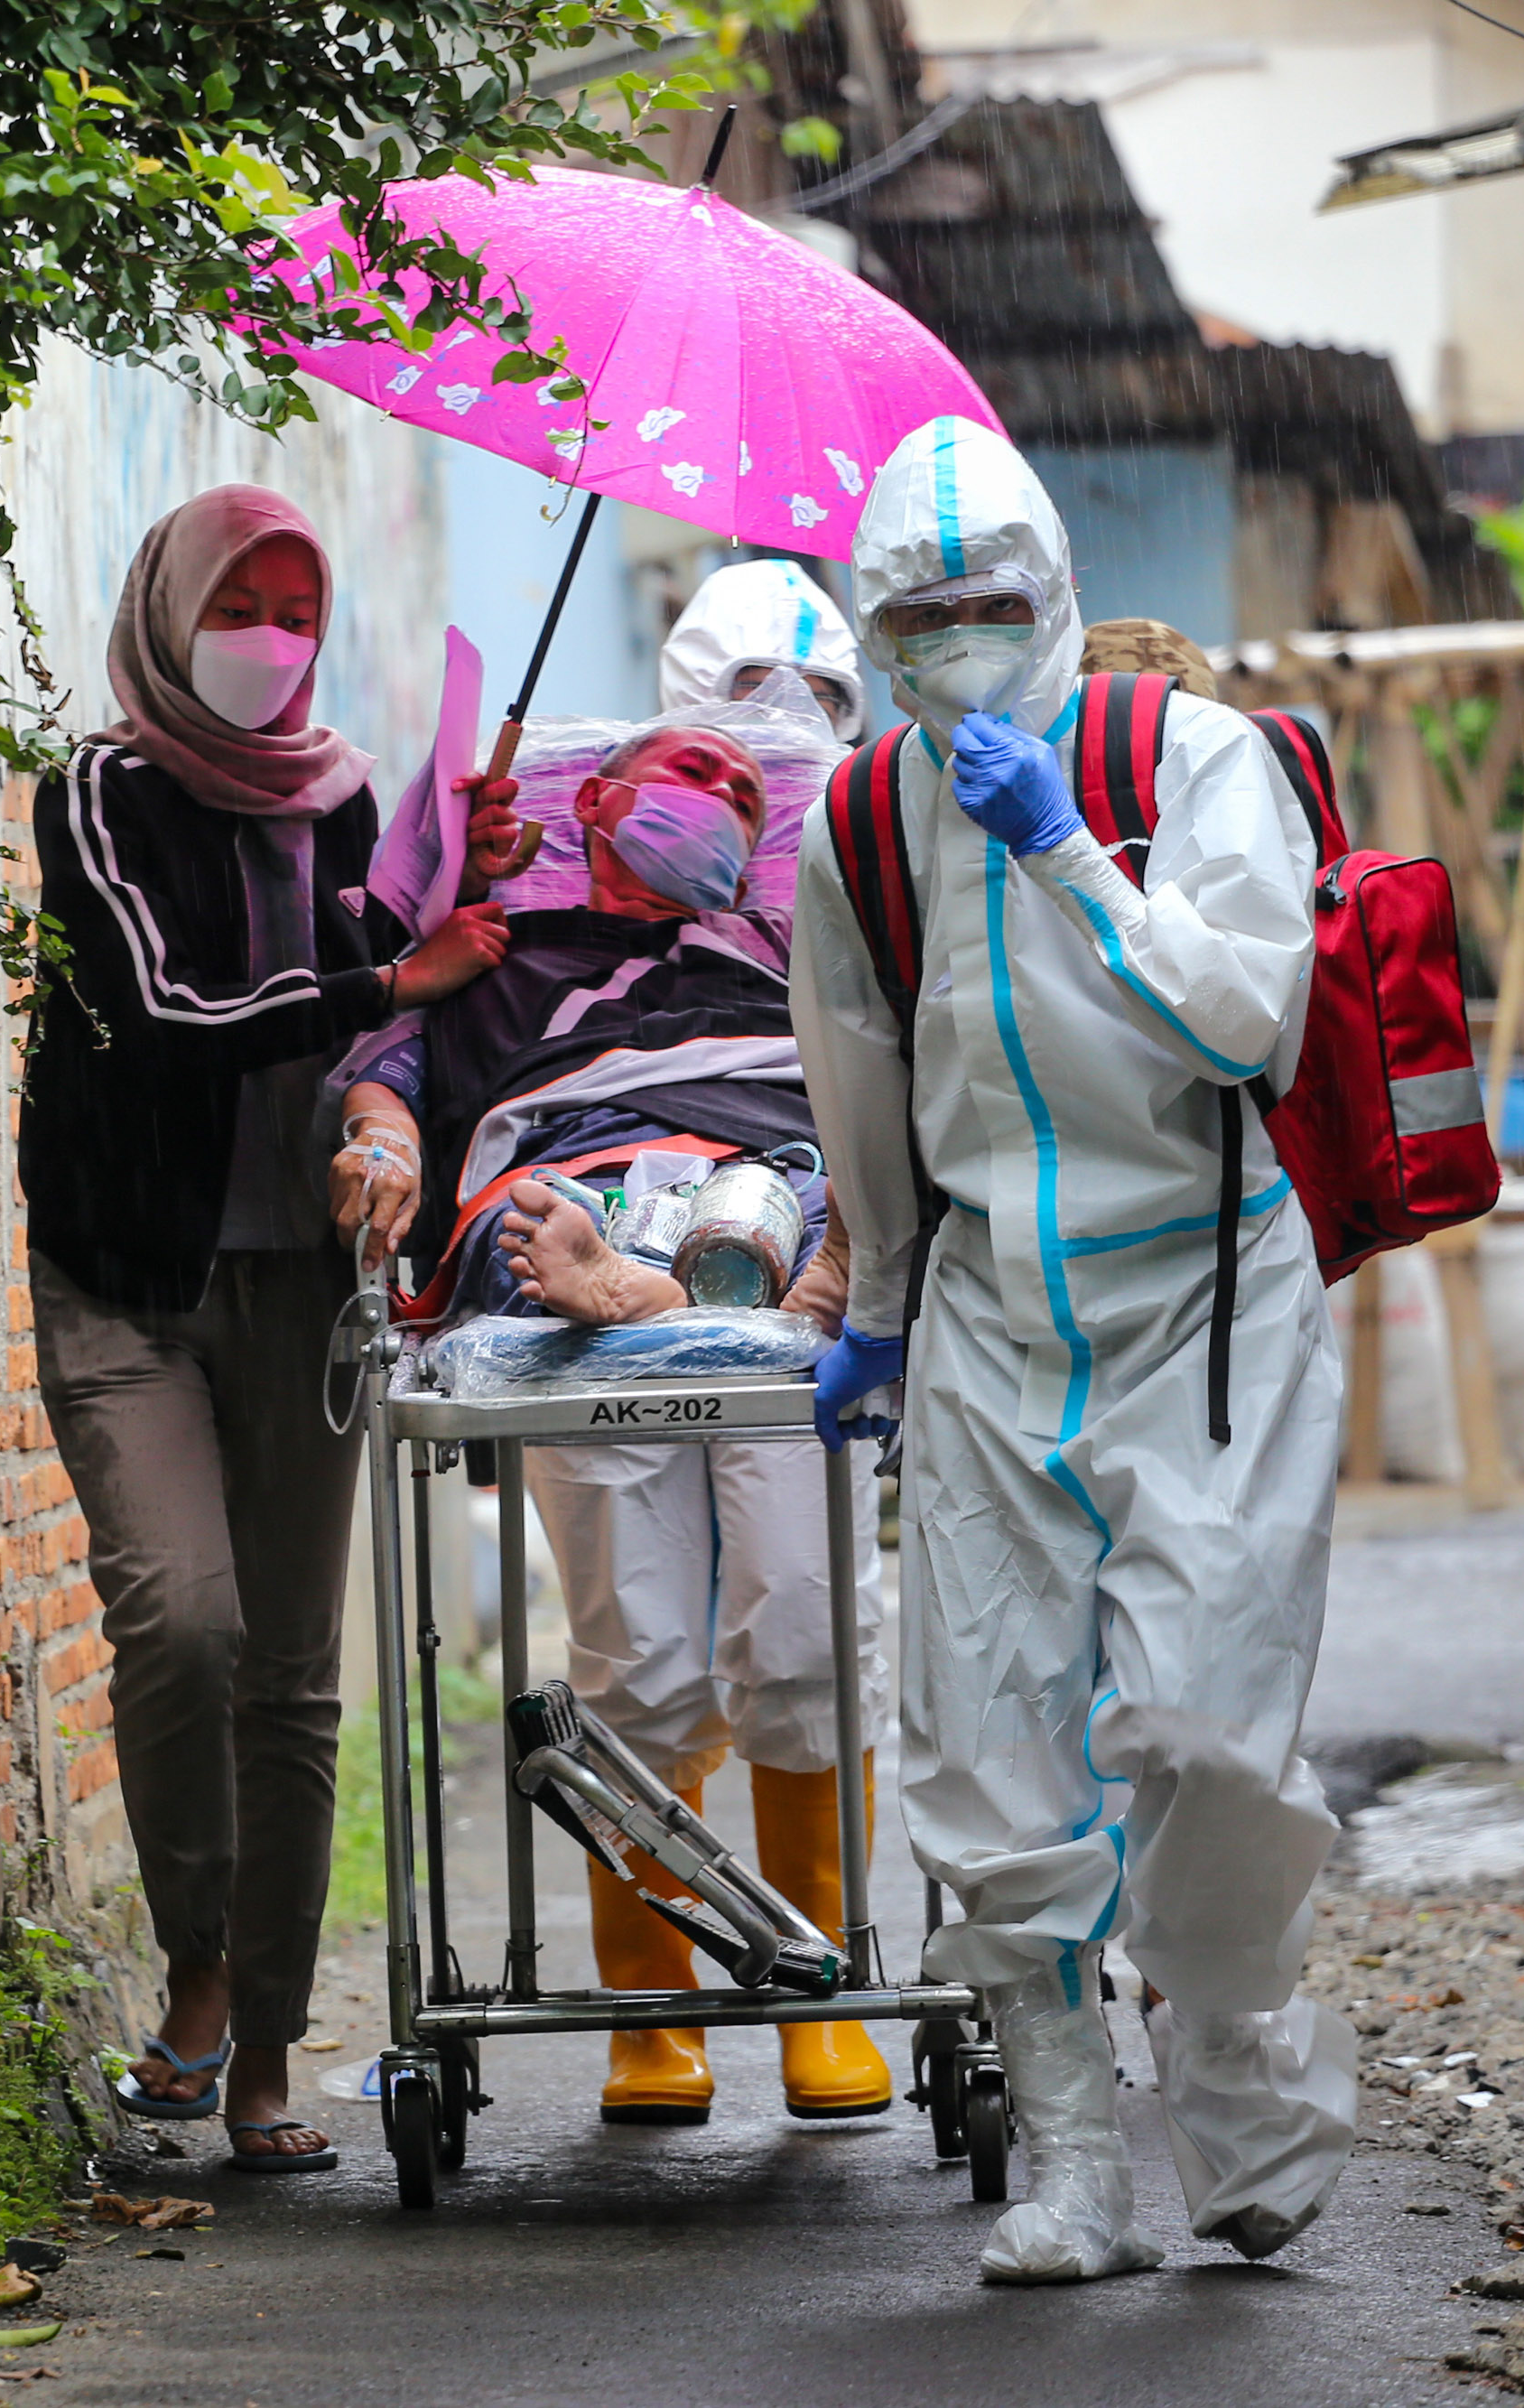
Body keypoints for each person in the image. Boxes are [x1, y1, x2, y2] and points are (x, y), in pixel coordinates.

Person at [789, 415, 1356, 2283]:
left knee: (1200, 1730)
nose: (952, 641)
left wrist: (1064, 857)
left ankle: (1244, 2094)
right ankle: (1071, 2166)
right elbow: (855, 1075)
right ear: (871, 626)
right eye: (915, 615)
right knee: (987, 1760)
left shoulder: (1192, 758)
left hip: (1206, 1305)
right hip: (981, 1324)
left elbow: (1241, 1017)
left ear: (1057, 598)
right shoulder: (856, 814)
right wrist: (873, 1309)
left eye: (986, 605)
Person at [24, 485, 508, 2173]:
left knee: (295, 1680)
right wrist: (392, 983)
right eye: (245, 601)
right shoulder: (100, 790)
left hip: (302, 1284)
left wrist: (458, 885)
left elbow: (397, 999)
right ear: (173, 605)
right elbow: (160, 1012)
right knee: (185, 1625)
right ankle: (199, 1969)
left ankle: (260, 2056)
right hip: (131, 1279)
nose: (274, 638)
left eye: (300, 608)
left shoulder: (349, 793)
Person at [342, 705, 892, 2127]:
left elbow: (887, 1080)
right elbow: (382, 1055)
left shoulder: (792, 964)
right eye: (678, 771)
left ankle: (814, 1987)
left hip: (773, 1201)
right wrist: (384, 1122)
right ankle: (657, 2012)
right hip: (555, 1244)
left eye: (733, 781)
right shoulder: (498, 960)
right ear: (592, 803)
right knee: (640, 1650)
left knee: (803, 1619)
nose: (711, 791)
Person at [659, 557, 868, 737]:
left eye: (814, 701)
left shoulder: (863, 782)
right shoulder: (643, 781)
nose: (787, 722)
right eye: (761, 698)